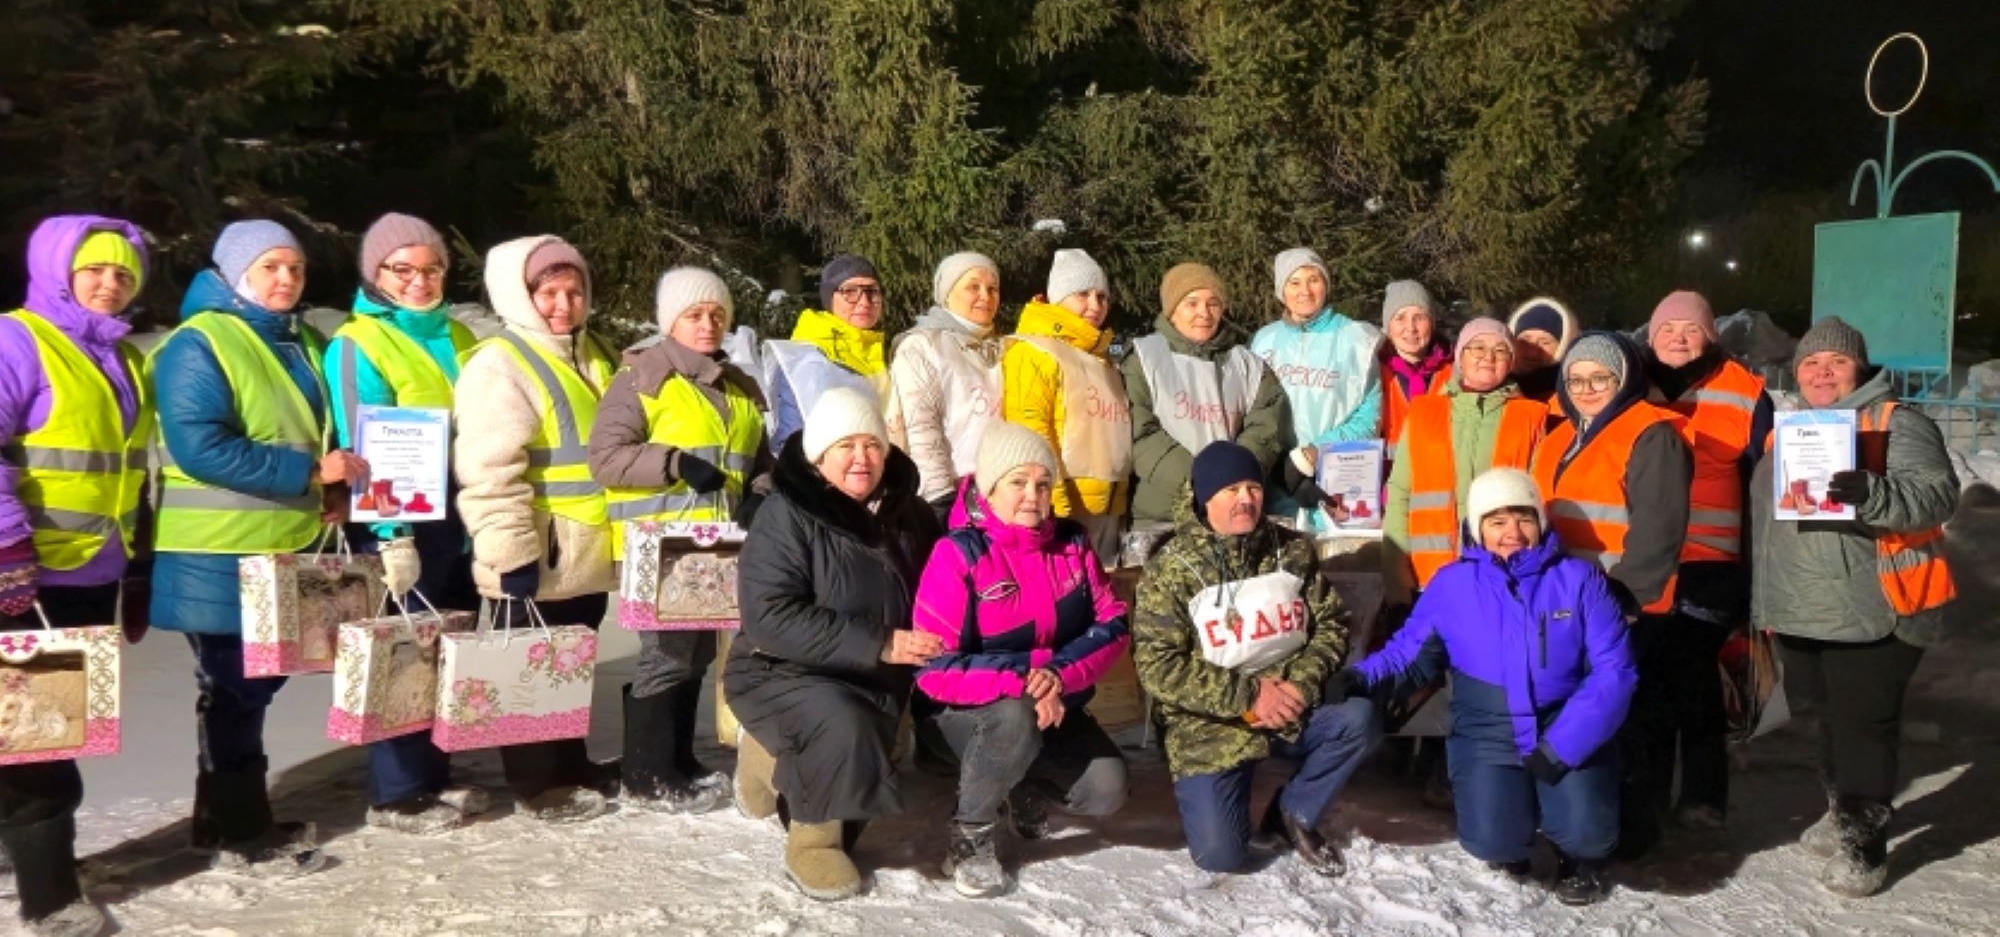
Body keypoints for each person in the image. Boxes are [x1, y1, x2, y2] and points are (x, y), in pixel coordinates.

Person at [149, 220, 356, 876]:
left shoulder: (302, 339)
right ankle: (244, 829)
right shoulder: (200, 341)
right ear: (235, 273)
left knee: (254, 686)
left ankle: (220, 817)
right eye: (270, 266)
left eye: (294, 267)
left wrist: (336, 487)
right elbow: (199, 445)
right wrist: (309, 475)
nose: (286, 279)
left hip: (283, 546)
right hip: (217, 551)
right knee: (233, 686)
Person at [1344, 468, 1636, 906]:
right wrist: (1358, 678)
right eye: (1497, 521)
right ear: (1476, 528)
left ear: (1541, 522)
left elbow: (1615, 672)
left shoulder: (1579, 580)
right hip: (1487, 731)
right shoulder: (1451, 585)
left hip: (1563, 724)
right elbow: (1408, 656)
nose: (1512, 532)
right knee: (1490, 841)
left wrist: (1562, 747)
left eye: (1524, 518)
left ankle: (1579, 857)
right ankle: (1513, 837)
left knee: (1587, 832)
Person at [1749, 317, 1958, 897]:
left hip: (1875, 610)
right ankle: (1843, 810)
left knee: (1862, 727)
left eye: (1836, 363)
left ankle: (1865, 849)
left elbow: (1938, 493)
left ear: (1858, 370)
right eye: (1811, 363)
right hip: (1800, 609)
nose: (1822, 372)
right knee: (1828, 720)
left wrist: (1874, 491)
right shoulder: (1791, 428)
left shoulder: (1895, 423)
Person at [724, 388, 944, 900]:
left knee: (858, 774)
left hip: (873, 670)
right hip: (779, 667)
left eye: (871, 444)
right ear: (819, 457)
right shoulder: (785, 514)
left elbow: (940, 586)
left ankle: (761, 755)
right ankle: (813, 844)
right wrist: (882, 642)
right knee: (844, 725)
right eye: (845, 446)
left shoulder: (910, 514)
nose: (860, 459)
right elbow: (770, 617)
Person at [1132, 441, 1381, 875]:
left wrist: (1300, 685)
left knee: (1358, 720)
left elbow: (1331, 624)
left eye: (1253, 487)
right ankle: (1222, 793)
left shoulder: (1291, 551)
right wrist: (1249, 696)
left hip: (1289, 702)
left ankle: (1294, 811)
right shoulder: (1169, 570)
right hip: (1211, 722)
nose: (1245, 499)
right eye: (1231, 490)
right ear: (1204, 497)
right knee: (1221, 857)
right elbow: (1158, 665)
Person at [0, 216, 150, 934]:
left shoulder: (121, 358)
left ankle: (28, 858)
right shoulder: (17, 340)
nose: (109, 283)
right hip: (25, 575)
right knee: (40, 734)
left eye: (124, 273)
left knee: (51, 728)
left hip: (91, 572)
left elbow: (127, 476)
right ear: (56, 270)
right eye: (94, 269)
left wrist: (136, 570)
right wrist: (6, 552)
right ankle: (48, 896)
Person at [911, 423, 1132, 897]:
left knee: (1106, 788)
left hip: (1053, 701)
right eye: (1017, 482)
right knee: (1014, 718)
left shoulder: (1072, 545)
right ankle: (970, 835)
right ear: (989, 488)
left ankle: (1018, 783)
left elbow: (1112, 623)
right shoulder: (957, 553)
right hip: (961, 716)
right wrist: (1027, 681)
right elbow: (934, 670)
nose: (1032, 495)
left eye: (1042, 483)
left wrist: (1056, 675)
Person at [323, 212, 488, 836]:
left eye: (431, 269)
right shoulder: (357, 342)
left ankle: (434, 773)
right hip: (402, 516)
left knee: (447, 643)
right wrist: (392, 536)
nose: (419, 281)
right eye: (403, 270)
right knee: (402, 650)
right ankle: (395, 792)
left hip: (463, 512)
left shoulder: (463, 339)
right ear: (376, 273)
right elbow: (361, 438)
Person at [589, 266, 773, 814]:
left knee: (694, 656)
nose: (708, 323)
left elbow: (758, 460)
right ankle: (645, 772)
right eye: (694, 314)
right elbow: (605, 457)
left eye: (717, 314)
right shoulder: (642, 377)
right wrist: (671, 463)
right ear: (670, 321)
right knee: (664, 656)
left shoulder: (736, 385)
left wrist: (760, 491)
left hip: (716, 546)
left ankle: (677, 760)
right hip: (661, 547)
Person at [454, 235, 620, 824]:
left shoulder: (595, 350)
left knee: (569, 660)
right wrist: (507, 552)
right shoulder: (500, 362)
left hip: (589, 546)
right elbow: (489, 469)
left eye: (574, 290)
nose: (564, 303)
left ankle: (571, 765)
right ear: (519, 296)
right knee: (529, 666)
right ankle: (535, 785)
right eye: (548, 292)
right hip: (538, 548)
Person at [1531, 331, 1691, 860]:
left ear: (1624, 379)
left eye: (1601, 378)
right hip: (1564, 606)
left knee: (1626, 725)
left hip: (1623, 607)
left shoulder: (1651, 433)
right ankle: (1578, 823)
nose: (1588, 388)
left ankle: (1632, 834)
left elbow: (1659, 528)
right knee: (1580, 720)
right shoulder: (1559, 434)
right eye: (1577, 379)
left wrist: (1627, 597)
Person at [1641, 291, 1774, 832]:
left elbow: (1769, 484)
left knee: (1696, 681)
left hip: (1711, 566)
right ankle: (1646, 792)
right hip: (1648, 563)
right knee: (1646, 681)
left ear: (1710, 336)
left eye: (1689, 329)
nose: (1677, 337)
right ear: (1650, 338)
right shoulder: (1633, 386)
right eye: (1666, 328)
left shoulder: (1744, 391)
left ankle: (1702, 795)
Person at [1383, 318, 1549, 606]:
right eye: (1478, 347)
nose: (1488, 356)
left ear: (1511, 362)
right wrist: (1395, 572)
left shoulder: (1532, 416)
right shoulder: (1423, 412)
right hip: (1428, 580)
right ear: (1460, 355)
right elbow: (1400, 493)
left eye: (1501, 350)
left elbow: (1540, 505)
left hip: (1503, 582)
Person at [1123, 264, 1289, 528]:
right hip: (1164, 513)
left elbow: (1265, 428)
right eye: (1192, 303)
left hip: (1234, 513)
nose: (1204, 312)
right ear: (1172, 310)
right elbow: (1139, 430)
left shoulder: (1248, 365)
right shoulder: (1143, 359)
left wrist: (1231, 481)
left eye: (1213, 303)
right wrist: (1198, 482)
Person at [1001, 249, 1131, 560]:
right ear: (1058, 299)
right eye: (1082, 294)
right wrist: (1051, 501)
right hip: (1064, 508)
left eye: (1102, 296)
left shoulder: (1102, 359)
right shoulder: (1035, 350)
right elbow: (1032, 430)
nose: (1094, 305)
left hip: (1106, 508)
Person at [1251, 248, 1382, 528]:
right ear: (1281, 290)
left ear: (1326, 284)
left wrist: (1315, 451)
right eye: (1294, 282)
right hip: (1277, 486)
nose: (1305, 291)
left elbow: (1370, 417)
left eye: (1314, 279)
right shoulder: (1264, 342)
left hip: (1339, 483)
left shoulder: (1358, 339)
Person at [887, 251, 1005, 516]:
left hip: (1000, 493)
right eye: (973, 287)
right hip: (952, 495)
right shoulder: (923, 345)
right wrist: (939, 498)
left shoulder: (1000, 347)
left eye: (992, 288)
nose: (985, 296)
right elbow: (921, 427)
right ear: (947, 293)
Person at [764, 253, 890, 448]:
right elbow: (791, 439)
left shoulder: (884, 352)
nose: (864, 301)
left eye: (872, 291)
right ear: (829, 298)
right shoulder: (807, 357)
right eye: (850, 291)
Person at [1378, 280, 1453, 449]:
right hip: (1388, 472)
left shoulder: (1455, 372)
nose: (1411, 328)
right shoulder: (1373, 372)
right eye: (1400, 318)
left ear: (1432, 324)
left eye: (1419, 317)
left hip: (1439, 470)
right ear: (1387, 326)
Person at [1507, 297, 1580, 406]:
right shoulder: (1493, 383)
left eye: (1545, 342)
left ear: (1563, 346)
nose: (1533, 352)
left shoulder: (1574, 392)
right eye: (1525, 341)